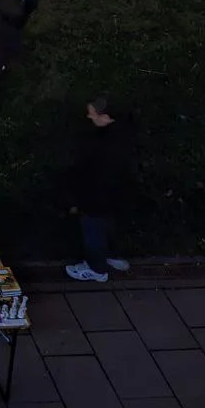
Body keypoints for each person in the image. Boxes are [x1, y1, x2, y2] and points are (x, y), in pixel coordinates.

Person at [65, 98, 132, 283]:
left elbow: (88, 171)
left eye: (93, 113)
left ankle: (97, 269)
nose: (89, 116)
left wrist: (77, 199)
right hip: (114, 196)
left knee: (93, 233)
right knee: (109, 227)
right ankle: (112, 256)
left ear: (106, 117)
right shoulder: (122, 135)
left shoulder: (102, 144)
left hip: (96, 197)